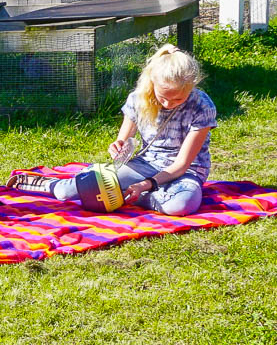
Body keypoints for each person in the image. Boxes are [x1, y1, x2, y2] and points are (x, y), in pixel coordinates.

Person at [11, 42, 216, 215]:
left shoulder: (202, 106)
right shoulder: (139, 98)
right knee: (66, 193)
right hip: (147, 164)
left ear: (192, 86)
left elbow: (181, 164)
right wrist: (119, 146)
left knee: (181, 205)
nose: (168, 104)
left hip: (187, 171)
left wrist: (145, 185)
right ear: (152, 82)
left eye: (178, 99)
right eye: (163, 97)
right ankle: (51, 184)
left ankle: (126, 195)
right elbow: (124, 141)